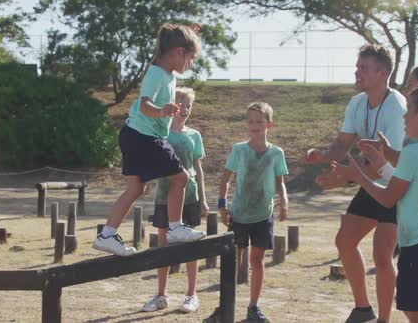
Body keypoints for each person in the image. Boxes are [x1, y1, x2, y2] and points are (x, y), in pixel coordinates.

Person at [332, 86, 418, 323]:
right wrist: (385, 156)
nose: (404, 116)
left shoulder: (412, 153)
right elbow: (413, 177)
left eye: (409, 110)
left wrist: (358, 176)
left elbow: (389, 197)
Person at [303, 44, 407, 323]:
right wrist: (323, 156)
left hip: (396, 186)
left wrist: (343, 177)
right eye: (357, 66)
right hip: (372, 181)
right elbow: (342, 143)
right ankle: (363, 309)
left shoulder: (396, 107)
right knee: (345, 241)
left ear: (382, 72)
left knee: (382, 255)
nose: (356, 71)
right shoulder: (357, 103)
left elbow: (387, 163)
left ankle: (384, 320)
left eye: (363, 67)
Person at [93, 23, 206, 256]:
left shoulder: (164, 70)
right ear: (177, 51)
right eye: (191, 58)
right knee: (182, 178)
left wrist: (191, 34)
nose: (191, 63)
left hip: (132, 135)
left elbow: (177, 46)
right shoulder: (156, 74)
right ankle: (175, 228)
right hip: (145, 137)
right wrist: (161, 111)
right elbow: (145, 104)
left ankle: (106, 235)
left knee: (136, 188)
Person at [219, 102, 289, 323]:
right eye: (250, 120)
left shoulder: (277, 153)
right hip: (238, 215)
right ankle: (224, 307)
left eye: (259, 121)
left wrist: (285, 199)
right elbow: (225, 179)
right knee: (234, 263)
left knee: (256, 261)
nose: (254, 124)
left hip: (262, 216)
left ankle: (253, 307)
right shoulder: (239, 150)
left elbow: (280, 182)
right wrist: (222, 205)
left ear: (269, 124)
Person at [141, 87, 209, 313]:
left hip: (190, 197)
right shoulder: (162, 133)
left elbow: (198, 170)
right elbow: (150, 161)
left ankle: (191, 295)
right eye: (181, 104)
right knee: (164, 246)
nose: (185, 109)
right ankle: (161, 295)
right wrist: (145, 181)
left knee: (192, 248)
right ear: (172, 106)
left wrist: (204, 200)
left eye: (189, 105)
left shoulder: (194, 135)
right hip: (164, 195)